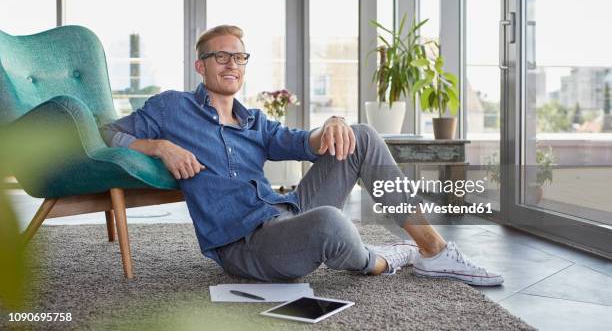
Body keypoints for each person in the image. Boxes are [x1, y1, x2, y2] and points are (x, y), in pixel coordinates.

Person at [101, 25, 502, 286]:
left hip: (287, 212)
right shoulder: (171, 108)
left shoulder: (254, 120)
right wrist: (158, 146)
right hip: (246, 245)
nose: (232, 64)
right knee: (331, 224)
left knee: (359, 134)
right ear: (200, 66)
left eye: (239, 57)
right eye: (220, 57)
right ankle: (383, 261)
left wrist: (331, 124)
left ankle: (434, 251)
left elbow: (302, 141)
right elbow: (108, 134)